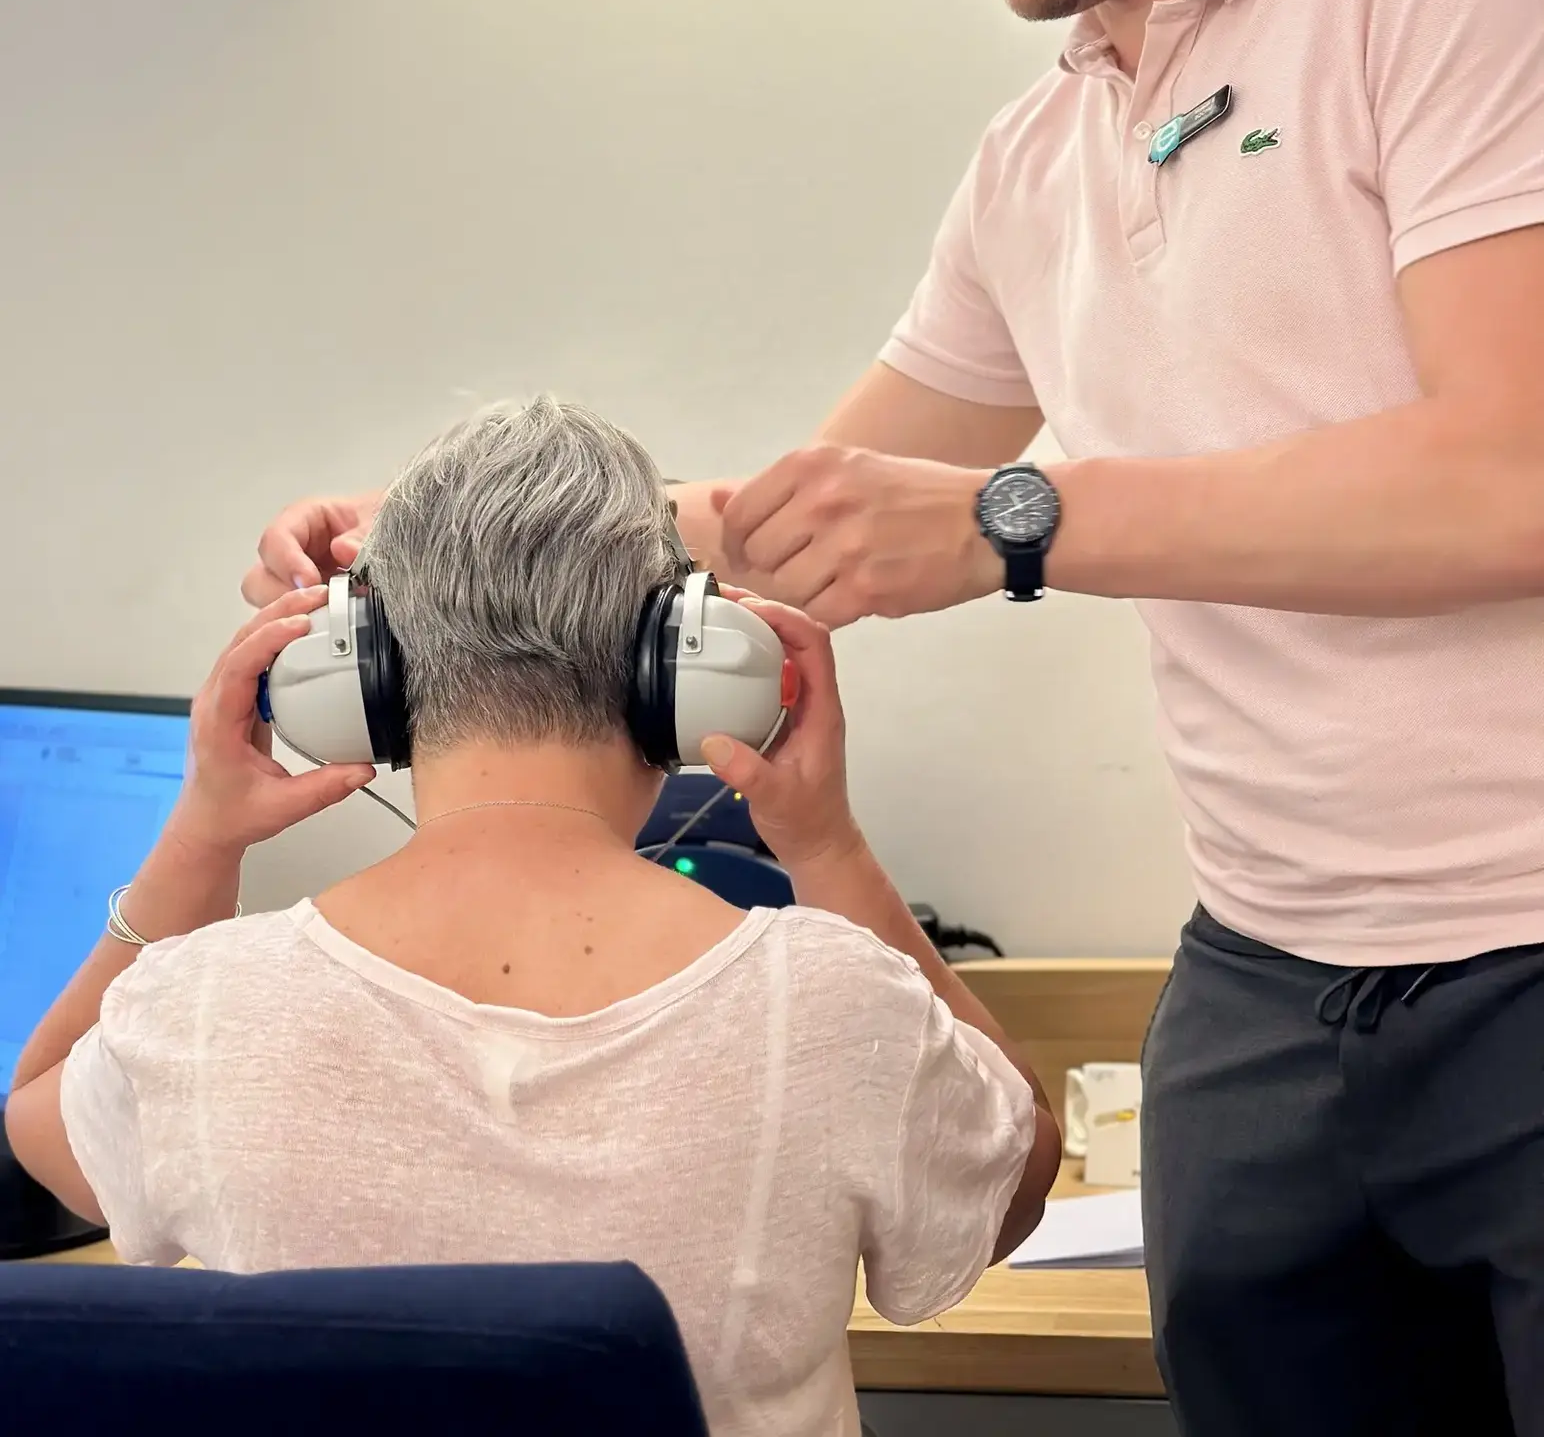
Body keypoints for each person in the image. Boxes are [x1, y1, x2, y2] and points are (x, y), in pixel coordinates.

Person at [241, 0, 1544, 1429]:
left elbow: (1503, 479)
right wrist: (417, 541)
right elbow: (811, 504)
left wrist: (1022, 522)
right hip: (1260, 989)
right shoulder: (1034, 164)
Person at [8, 398, 1058, 1437]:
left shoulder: (203, 1009)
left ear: (364, 680)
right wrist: (825, 844)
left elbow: (41, 1120)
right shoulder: (833, 1006)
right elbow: (1013, 1182)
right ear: (683, 673)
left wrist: (202, 835)